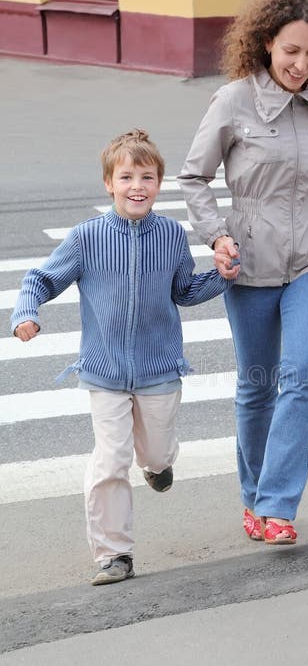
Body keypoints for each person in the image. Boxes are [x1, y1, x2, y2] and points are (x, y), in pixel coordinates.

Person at [178, 0, 308, 546]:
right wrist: (216, 237)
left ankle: (279, 503)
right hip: (250, 262)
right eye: (291, 51)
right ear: (266, 44)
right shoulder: (234, 100)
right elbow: (193, 177)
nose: (301, 64)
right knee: (258, 384)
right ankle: (253, 496)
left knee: (302, 377)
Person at [11, 129, 233, 584]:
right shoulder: (87, 238)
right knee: (111, 459)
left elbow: (184, 291)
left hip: (158, 369)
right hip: (104, 370)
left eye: (147, 177)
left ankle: (157, 466)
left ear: (158, 183)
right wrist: (25, 313)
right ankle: (114, 554)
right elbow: (41, 279)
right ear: (108, 184)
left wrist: (223, 276)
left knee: (154, 450)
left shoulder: (170, 234)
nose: (138, 185)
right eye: (126, 176)